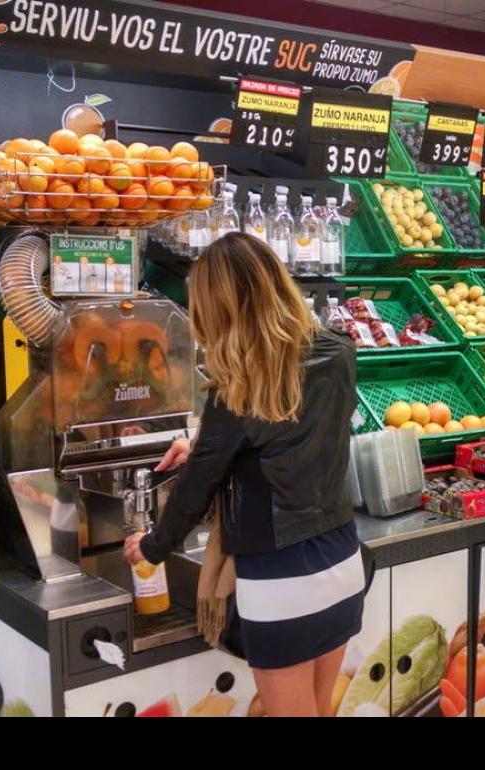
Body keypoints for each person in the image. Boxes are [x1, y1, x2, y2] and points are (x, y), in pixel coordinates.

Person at [124, 232, 362, 717]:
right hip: (341, 561)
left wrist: (149, 547)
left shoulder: (236, 389)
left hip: (282, 580)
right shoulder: (338, 352)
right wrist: (206, 443)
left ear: (218, 310)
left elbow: (195, 491)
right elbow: (296, 429)